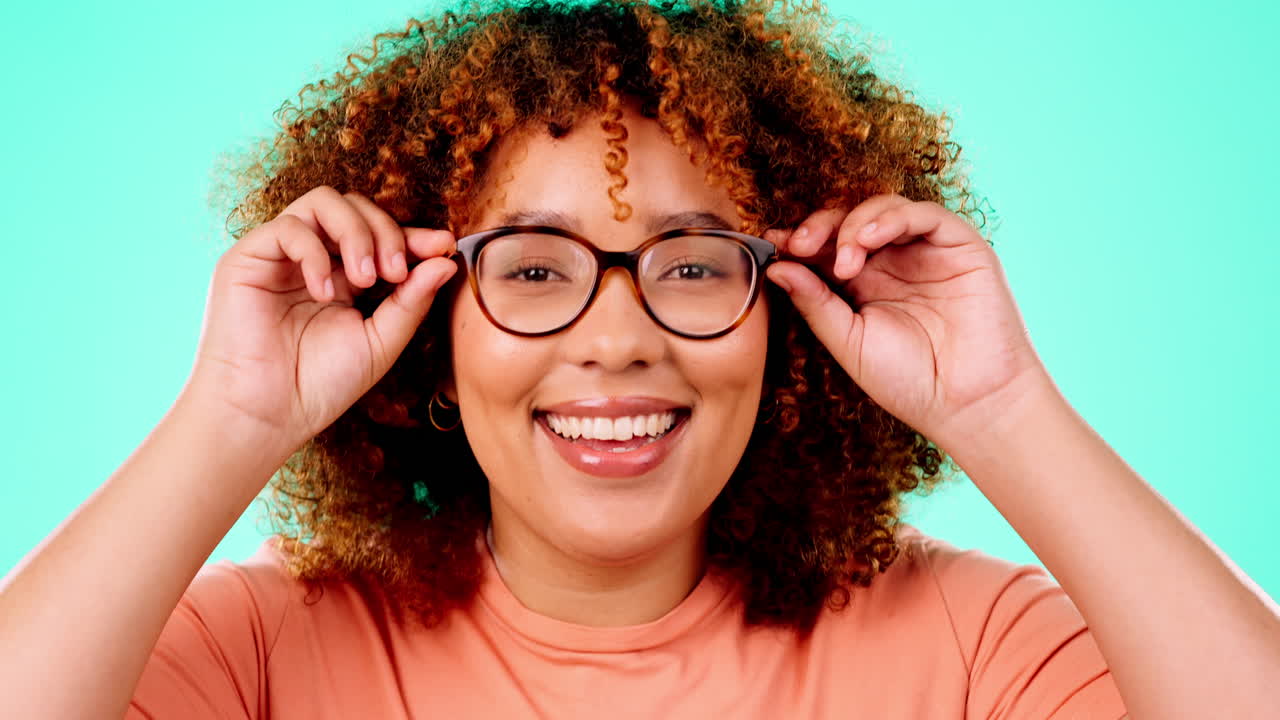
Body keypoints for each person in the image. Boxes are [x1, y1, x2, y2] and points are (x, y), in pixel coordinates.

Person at [2, 0, 1277, 717]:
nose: (618, 337)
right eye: (535, 270)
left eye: (691, 263)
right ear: (426, 334)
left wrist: (1000, 407)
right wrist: (228, 416)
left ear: (787, 314)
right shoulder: (267, 646)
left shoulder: (963, 641)